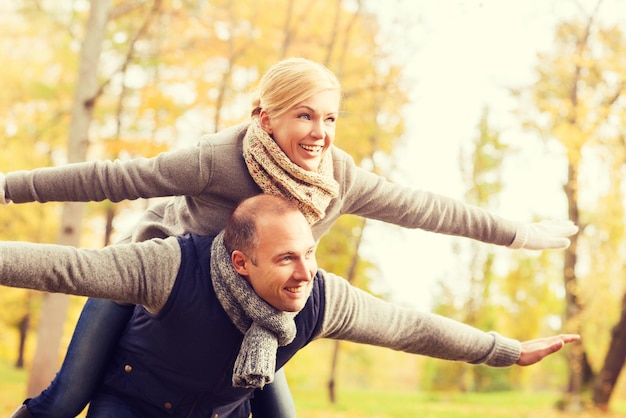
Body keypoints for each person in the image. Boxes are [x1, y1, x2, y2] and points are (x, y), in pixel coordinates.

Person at [2, 57, 579, 418]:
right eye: (304, 116)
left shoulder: (338, 179)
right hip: (156, 285)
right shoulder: (215, 160)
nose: (320, 134)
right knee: (66, 400)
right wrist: (9, 188)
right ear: (264, 116)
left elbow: (429, 211)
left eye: (330, 119)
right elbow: (114, 178)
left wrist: (523, 235)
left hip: (259, 310)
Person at [4, 194, 579, 417]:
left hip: (221, 405)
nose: (305, 273)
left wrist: (504, 351)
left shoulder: (320, 296)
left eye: (309, 254)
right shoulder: (168, 264)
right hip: (134, 399)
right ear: (241, 263)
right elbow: (64, 267)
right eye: (286, 260)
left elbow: (409, 327)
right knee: (61, 405)